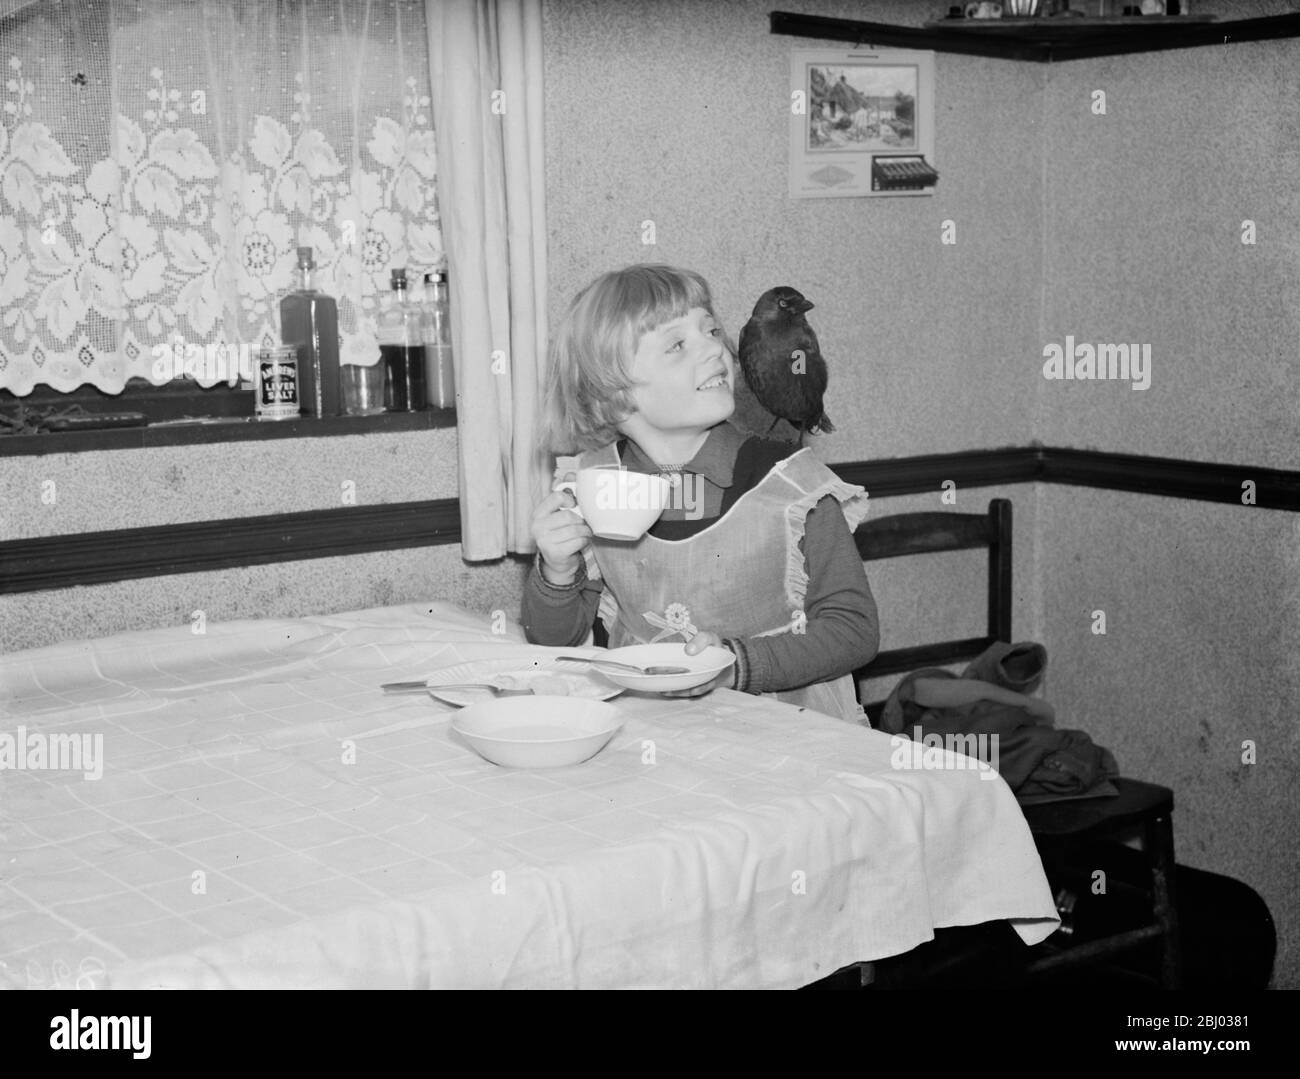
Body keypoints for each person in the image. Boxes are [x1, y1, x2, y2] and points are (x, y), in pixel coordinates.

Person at [520, 264, 878, 722]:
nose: (715, 347)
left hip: (790, 743)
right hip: (659, 739)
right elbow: (553, 640)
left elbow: (855, 630)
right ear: (612, 398)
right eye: (677, 344)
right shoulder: (598, 486)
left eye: (711, 329)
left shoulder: (791, 486)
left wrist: (737, 666)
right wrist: (556, 570)